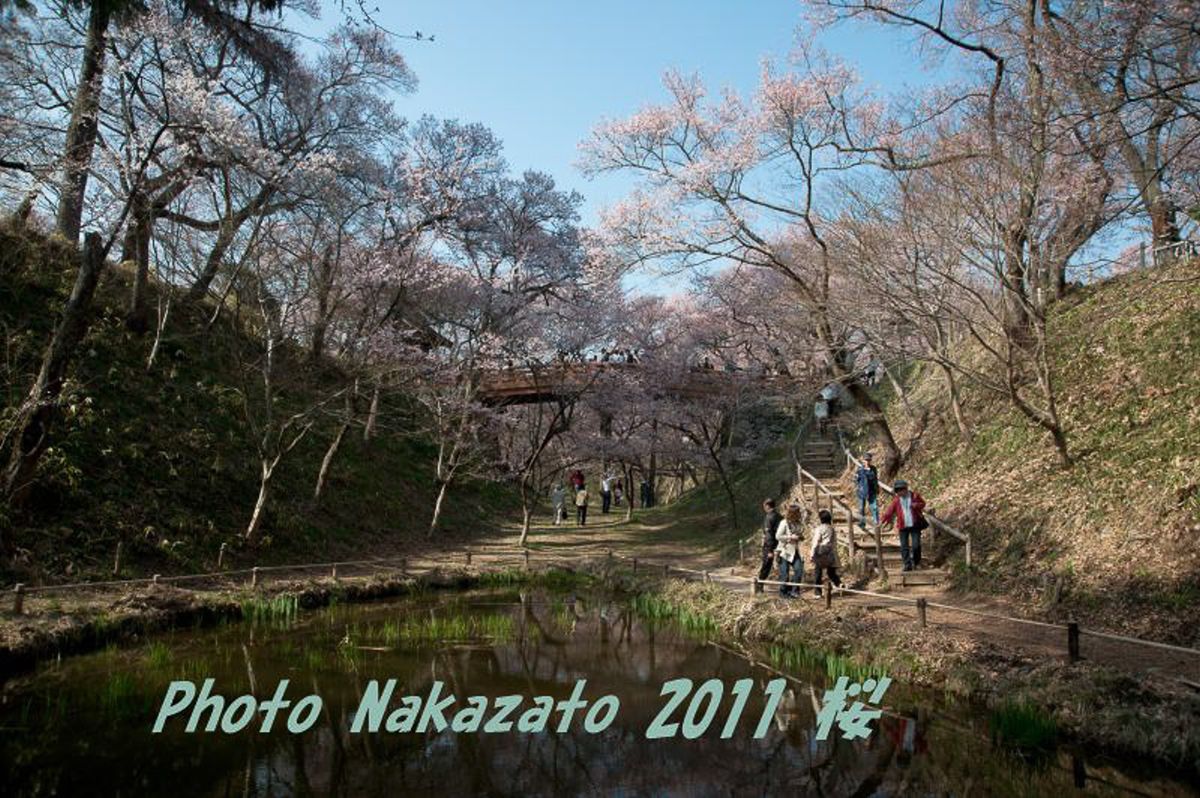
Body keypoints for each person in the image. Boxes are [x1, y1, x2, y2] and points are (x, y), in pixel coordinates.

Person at [880, 479, 928, 571]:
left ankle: (916, 562)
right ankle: (907, 564)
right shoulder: (896, 500)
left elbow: (923, 503)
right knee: (904, 546)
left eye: (900, 490)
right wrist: (882, 521)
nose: (899, 493)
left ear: (905, 489)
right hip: (903, 526)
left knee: (916, 545)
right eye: (897, 491)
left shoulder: (914, 496)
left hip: (915, 524)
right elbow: (889, 511)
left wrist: (916, 505)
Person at [774, 504, 805, 598]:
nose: (799, 514)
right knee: (784, 574)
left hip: (794, 551)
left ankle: (794, 591)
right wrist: (789, 537)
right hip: (784, 551)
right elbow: (778, 536)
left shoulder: (798, 523)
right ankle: (783, 593)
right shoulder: (784, 523)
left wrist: (800, 537)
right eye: (798, 512)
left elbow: (800, 534)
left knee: (799, 570)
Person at [810, 509, 843, 594]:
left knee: (818, 571)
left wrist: (812, 554)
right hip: (831, 551)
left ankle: (818, 592)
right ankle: (839, 584)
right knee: (831, 572)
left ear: (821, 519)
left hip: (821, 551)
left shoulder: (819, 529)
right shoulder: (832, 529)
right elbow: (834, 542)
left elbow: (816, 541)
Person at [759, 499, 783, 583]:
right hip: (780, 544)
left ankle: (760, 584)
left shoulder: (769, 517)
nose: (764, 508)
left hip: (770, 545)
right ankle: (783, 585)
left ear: (767, 506)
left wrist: (769, 550)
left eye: (764, 506)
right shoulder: (780, 516)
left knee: (766, 565)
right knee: (782, 565)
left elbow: (768, 534)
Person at [855, 453, 880, 530]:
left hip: (872, 491)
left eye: (869, 460)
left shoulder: (874, 469)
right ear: (863, 460)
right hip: (862, 492)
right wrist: (859, 487)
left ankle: (876, 523)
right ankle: (862, 524)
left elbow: (875, 479)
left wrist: (877, 488)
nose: (867, 461)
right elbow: (856, 480)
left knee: (874, 507)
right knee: (861, 508)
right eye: (866, 460)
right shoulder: (860, 469)